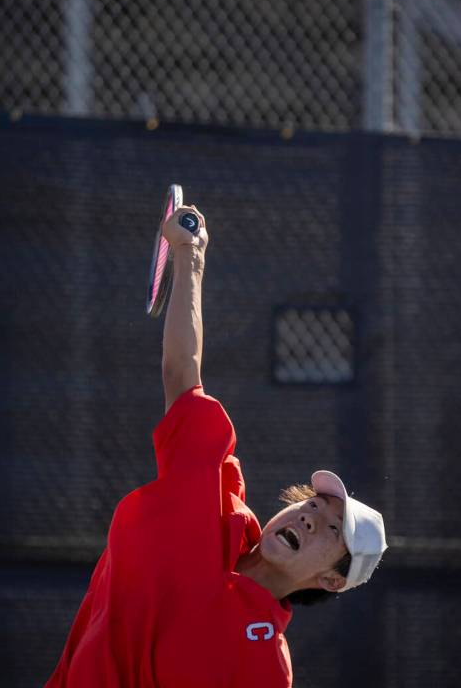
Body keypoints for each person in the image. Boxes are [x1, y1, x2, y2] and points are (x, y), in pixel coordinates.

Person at [45, 205, 387, 688]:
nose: (309, 517)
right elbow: (182, 373)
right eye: (313, 504)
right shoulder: (213, 506)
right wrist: (191, 256)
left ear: (332, 580)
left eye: (332, 530)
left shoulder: (265, 666)